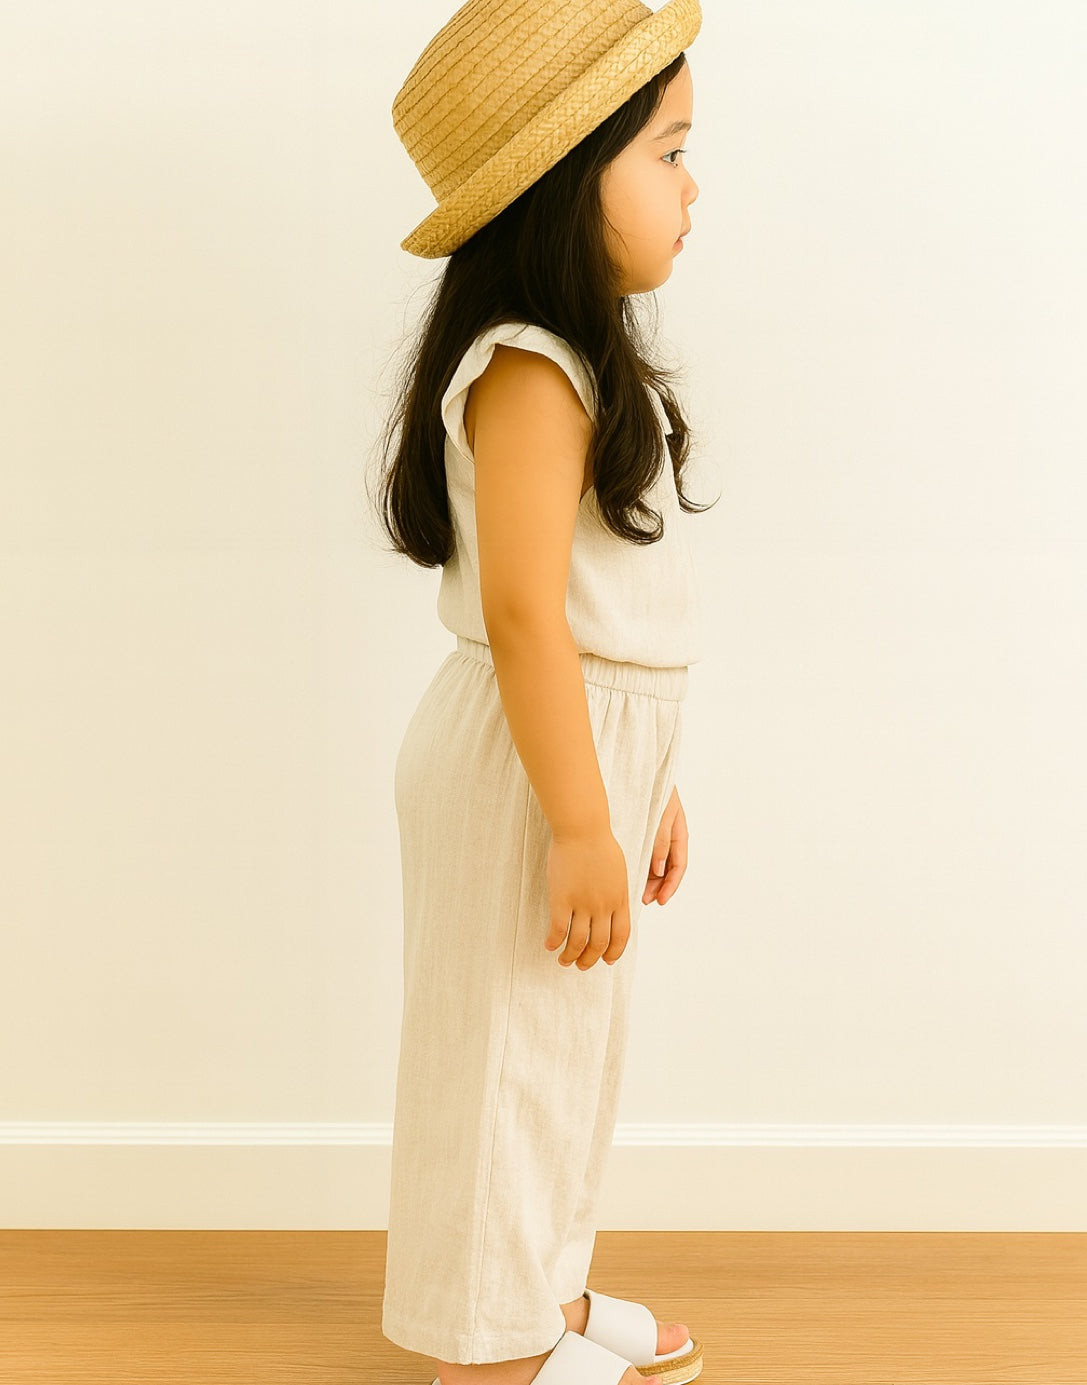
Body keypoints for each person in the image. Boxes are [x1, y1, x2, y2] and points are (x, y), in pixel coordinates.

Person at [373, 3, 713, 1383]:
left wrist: (645, 786)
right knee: (506, 1057)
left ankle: (544, 1295)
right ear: (575, 178)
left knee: (564, 1051)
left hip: (573, 753)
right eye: (671, 153)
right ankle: (491, 1342)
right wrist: (580, 814)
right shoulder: (528, 367)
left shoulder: (575, 362)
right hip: (530, 758)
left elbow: (588, 607)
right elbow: (524, 613)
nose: (695, 188)